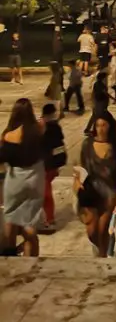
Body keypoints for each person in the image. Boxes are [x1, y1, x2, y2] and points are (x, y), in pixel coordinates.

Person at [0, 98, 45, 256]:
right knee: (29, 219)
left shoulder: (8, 135)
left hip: (15, 180)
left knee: (11, 216)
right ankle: (31, 252)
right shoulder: (38, 130)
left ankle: (10, 253)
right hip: (35, 178)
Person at [77, 111, 116, 256]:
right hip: (91, 190)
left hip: (109, 192)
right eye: (98, 125)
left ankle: (103, 256)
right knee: (92, 231)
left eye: (104, 125)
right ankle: (103, 251)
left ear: (110, 126)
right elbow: (81, 166)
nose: (100, 129)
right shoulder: (87, 144)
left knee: (103, 228)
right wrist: (77, 182)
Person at [40, 103, 66, 231]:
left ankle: (49, 219)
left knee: (45, 193)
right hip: (50, 164)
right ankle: (48, 218)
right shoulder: (54, 126)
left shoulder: (45, 126)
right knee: (45, 192)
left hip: (45, 165)